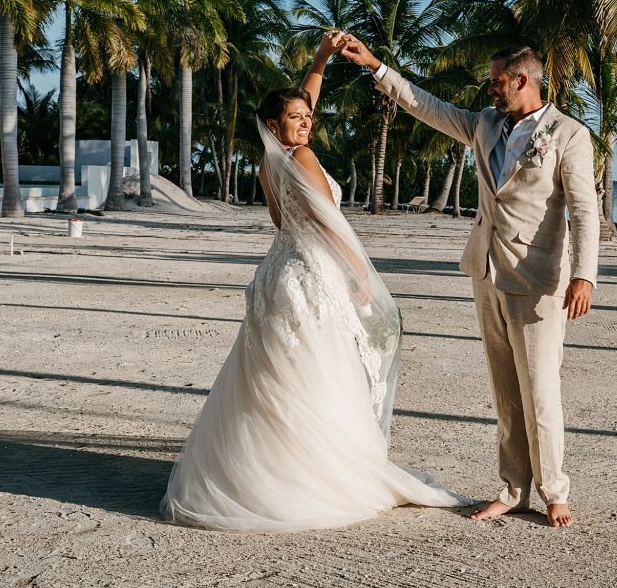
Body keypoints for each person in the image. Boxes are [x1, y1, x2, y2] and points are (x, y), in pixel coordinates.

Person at [161, 31, 470, 533]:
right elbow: (329, 221)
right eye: (296, 119)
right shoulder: (300, 159)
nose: (307, 123)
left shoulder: (268, 160)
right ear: (272, 124)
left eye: (309, 118)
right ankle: (313, 478)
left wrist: (323, 59)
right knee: (316, 376)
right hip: (311, 275)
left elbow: (287, 203)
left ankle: (260, 475)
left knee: (279, 379)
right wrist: (359, 273)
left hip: (278, 274)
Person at [340, 37, 599, 528]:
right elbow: (427, 107)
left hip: (539, 279)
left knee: (540, 390)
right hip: (486, 272)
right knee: (505, 392)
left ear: (522, 80)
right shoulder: (484, 122)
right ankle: (513, 488)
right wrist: (376, 66)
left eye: (497, 80)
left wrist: (584, 274)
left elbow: (585, 210)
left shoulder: (569, 135)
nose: (490, 87)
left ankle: (554, 491)